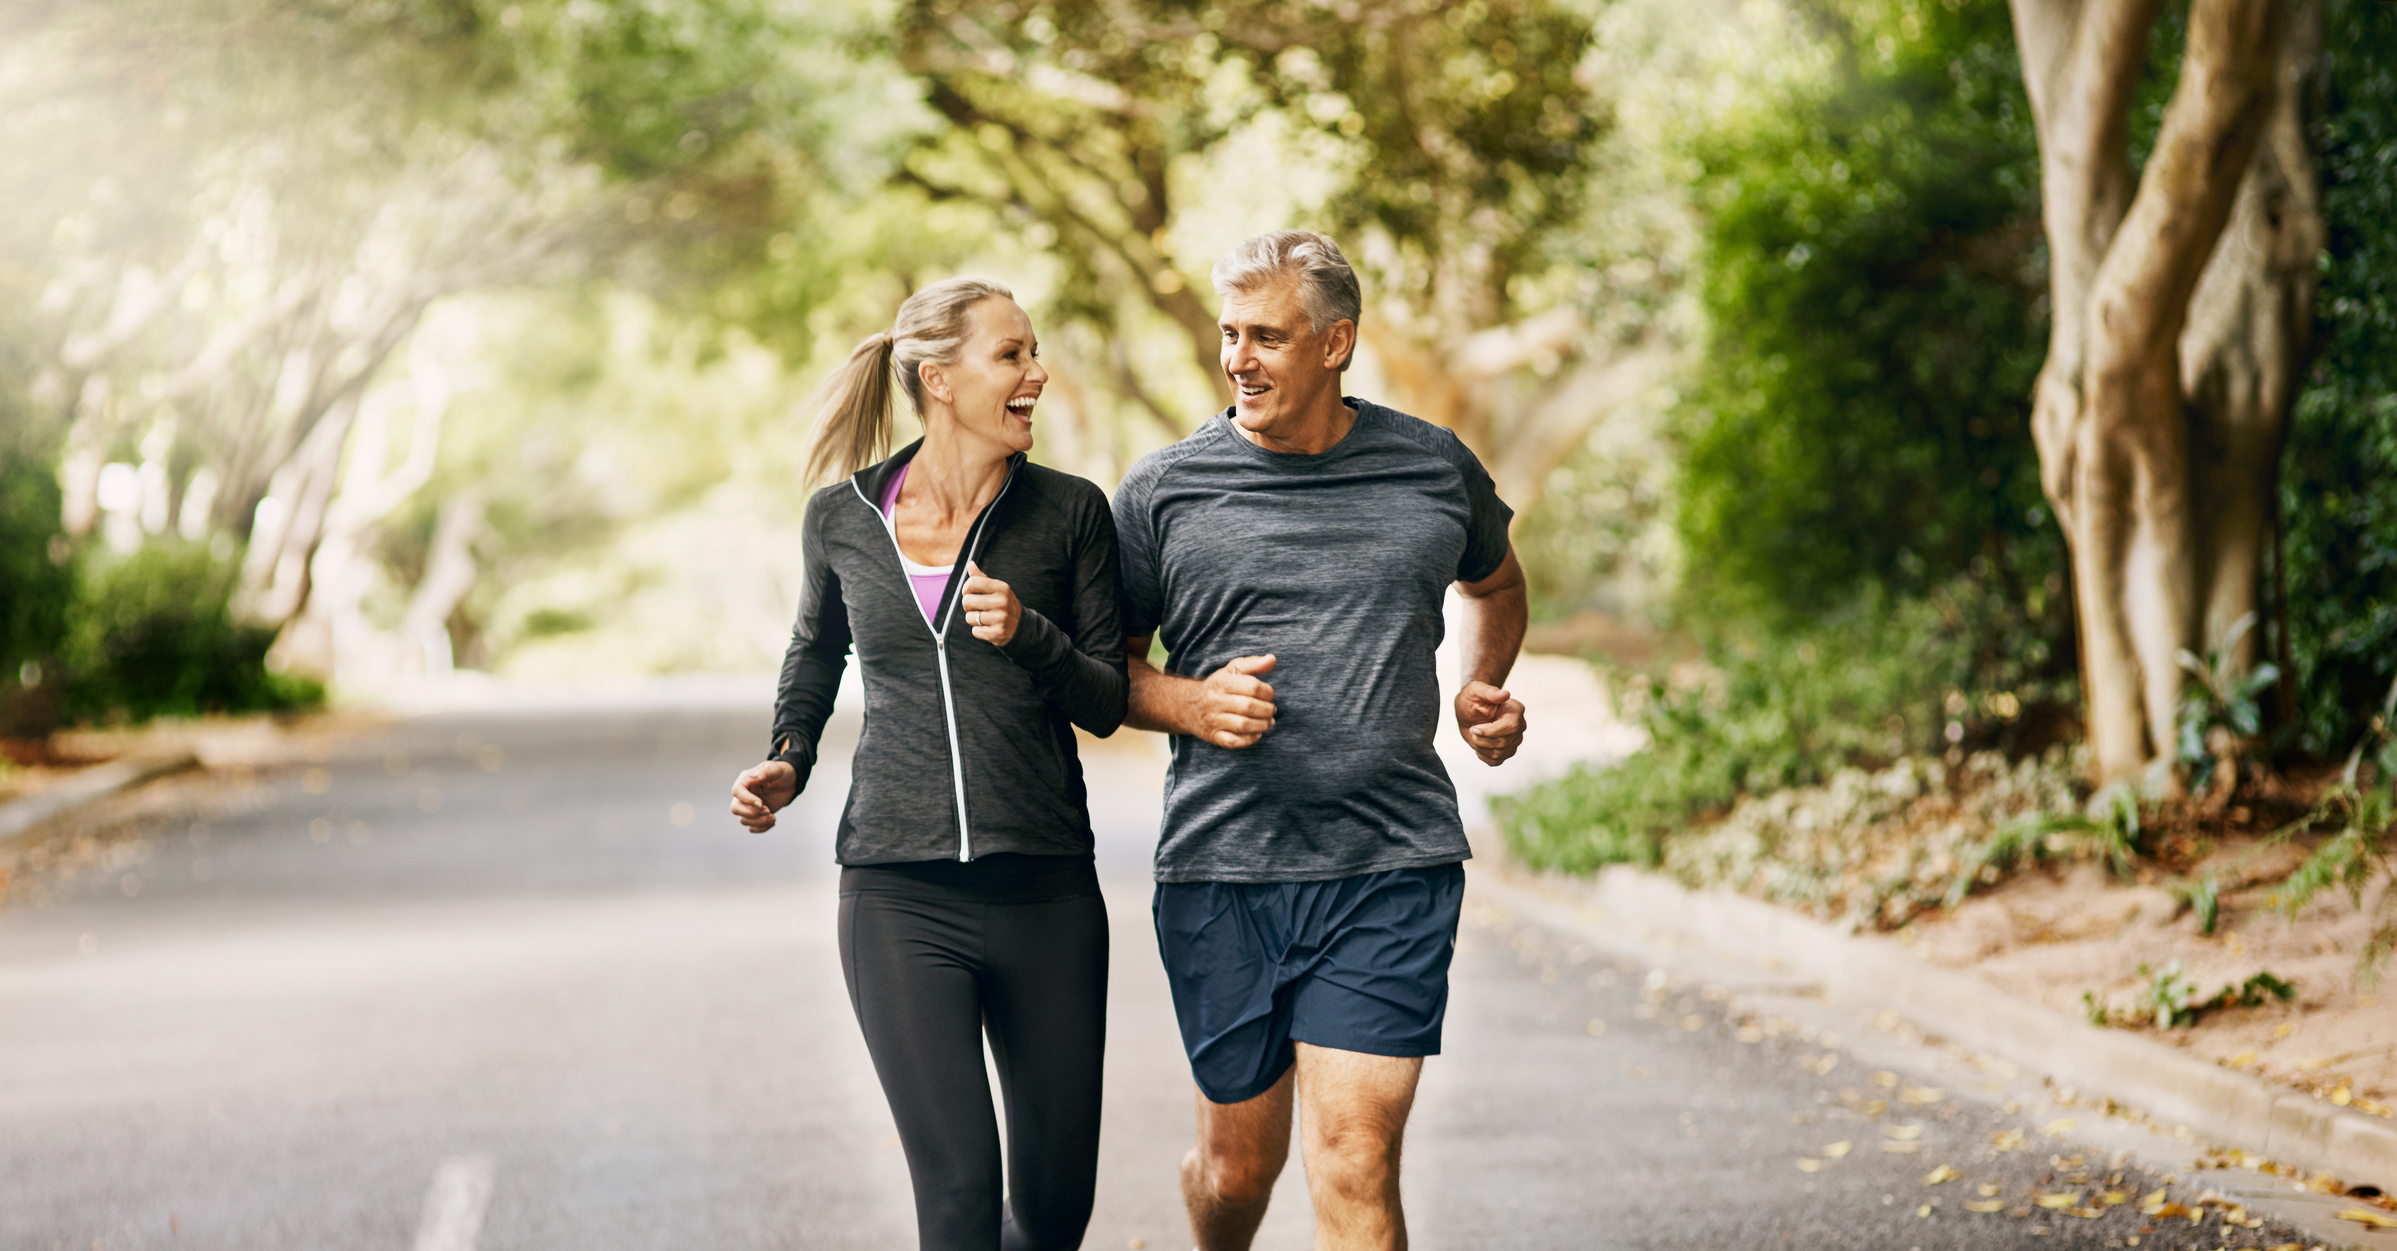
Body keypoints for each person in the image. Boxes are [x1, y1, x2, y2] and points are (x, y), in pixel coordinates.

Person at [1112, 231, 1529, 1251]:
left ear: (1336, 343)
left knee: (1351, 1159)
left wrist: (1484, 681)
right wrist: (1190, 703)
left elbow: (1498, 583)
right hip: (1224, 870)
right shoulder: (1164, 490)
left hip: (1391, 863)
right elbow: (1107, 671)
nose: (1239, 360)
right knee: (1236, 1171)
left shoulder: (1431, 467)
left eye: (1268, 336)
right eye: (1229, 335)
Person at [727, 278, 1127, 1251]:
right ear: (939, 379)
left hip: (1046, 891)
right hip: (899, 896)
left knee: (1052, 1213)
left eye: (1033, 353)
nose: (1036, 374)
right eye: (1012, 356)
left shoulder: (1071, 514)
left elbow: (1109, 699)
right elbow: (815, 654)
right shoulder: (842, 519)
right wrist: (790, 757)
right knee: (956, 1201)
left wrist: (1031, 635)